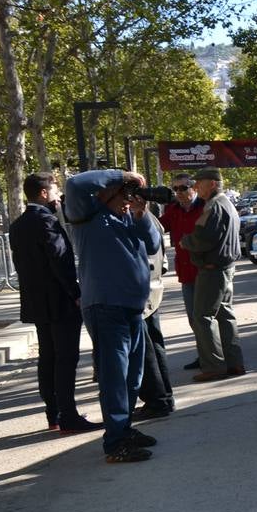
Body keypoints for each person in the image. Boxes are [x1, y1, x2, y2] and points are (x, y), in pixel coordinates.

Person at [62, 169, 161, 463]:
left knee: (133, 377)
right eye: (123, 194)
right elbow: (75, 184)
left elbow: (153, 244)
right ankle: (115, 442)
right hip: (106, 307)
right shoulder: (87, 216)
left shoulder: (129, 217)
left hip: (132, 307)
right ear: (105, 193)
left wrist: (142, 213)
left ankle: (124, 429)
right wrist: (120, 174)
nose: (127, 200)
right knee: (115, 378)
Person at [7, 172, 99, 433]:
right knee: (65, 359)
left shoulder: (19, 224)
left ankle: (54, 413)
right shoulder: (46, 221)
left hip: (36, 302)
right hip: (58, 301)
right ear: (44, 193)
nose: (59, 196)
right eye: (56, 190)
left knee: (47, 358)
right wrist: (75, 292)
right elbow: (59, 261)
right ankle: (68, 415)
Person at [179, 167, 245, 382]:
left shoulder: (215, 205)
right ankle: (234, 363)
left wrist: (185, 241)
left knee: (202, 316)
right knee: (224, 314)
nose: (195, 186)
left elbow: (203, 238)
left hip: (213, 270)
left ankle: (214, 366)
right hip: (224, 268)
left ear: (213, 184)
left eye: (200, 182)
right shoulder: (224, 204)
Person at [131, 196, 174, 420]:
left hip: (143, 288)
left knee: (148, 348)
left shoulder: (140, 218)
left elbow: (151, 247)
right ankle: (163, 397)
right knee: (154, 345)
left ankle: (158, 399)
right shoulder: (150, 218)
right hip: (151, 286)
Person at [159, 172, 202, 370]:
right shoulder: (173, 209)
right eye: (175, 189)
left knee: (210, 318)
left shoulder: (205, 207)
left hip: (206, 270)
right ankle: (204, 355)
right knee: (194, 318)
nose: (179, 192)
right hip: (186, 273)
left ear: (193, 187)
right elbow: (158, 227)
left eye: (183, 188)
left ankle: (218, 357)